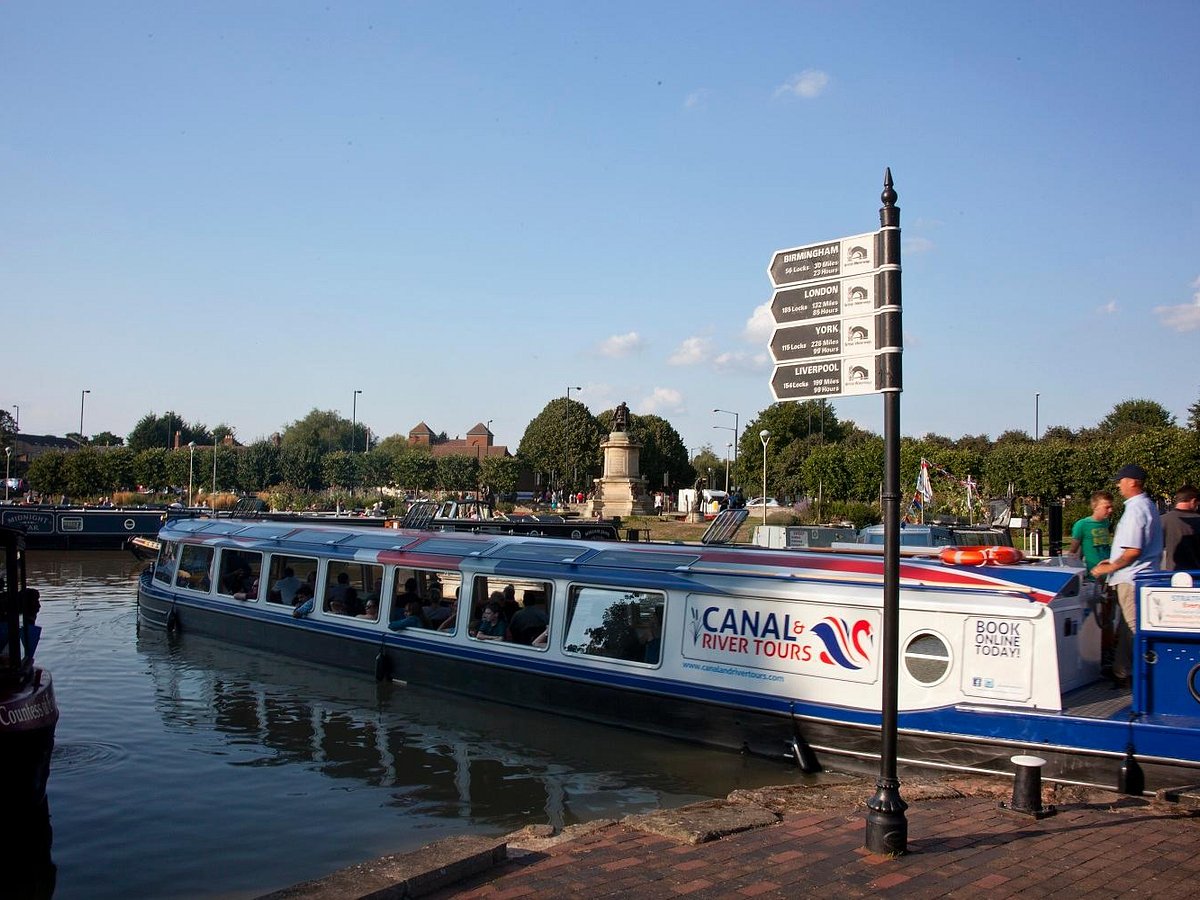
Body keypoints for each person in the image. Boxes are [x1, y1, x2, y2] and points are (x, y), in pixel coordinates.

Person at [1090, 464, 1163, 689]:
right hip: (1141, 577)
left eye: (1120, 481)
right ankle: (1121, 671)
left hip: (1132, 579)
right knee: (1125, 626)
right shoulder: (1147, 505)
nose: (1118, 485)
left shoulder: (1135, 509)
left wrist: (1109, 569)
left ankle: (1138, 676)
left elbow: (1132, 550)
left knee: (1132, 627)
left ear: (1132, 482)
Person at [1068, 490, 1115, 670]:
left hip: (1110, 574)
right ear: (1095, 506)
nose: (1110, 510)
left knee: (1108, 616)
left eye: (1111, 507)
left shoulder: (1106, 523)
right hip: (1093, 576)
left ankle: (1107, 649)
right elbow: (1074, 551)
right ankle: (1098, 651)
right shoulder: (1082, 525)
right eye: (1106, 507)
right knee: (1097, 615)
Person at [1160, 485, 1200, 571]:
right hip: (1196, 575)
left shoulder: (1163, 520)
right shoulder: (1197, 520)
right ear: (1193, 501)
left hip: (1173, 575)